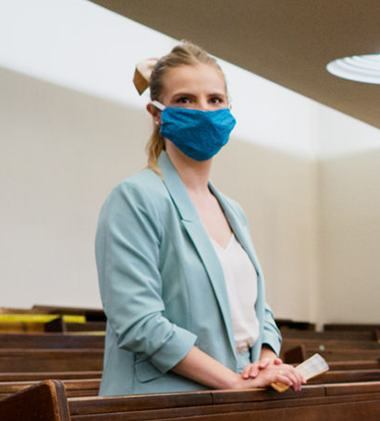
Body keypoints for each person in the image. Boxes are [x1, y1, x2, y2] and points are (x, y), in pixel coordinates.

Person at [95, 42, 304, 397]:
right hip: (162, 407)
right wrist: (234, 382)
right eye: (185, 100)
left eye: (214, 100)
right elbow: (139, 324)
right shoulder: (135, 198)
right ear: (157, 113)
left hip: (235, 397)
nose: (203, 110)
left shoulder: (232, 210)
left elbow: (254, 307)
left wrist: (266, 356)